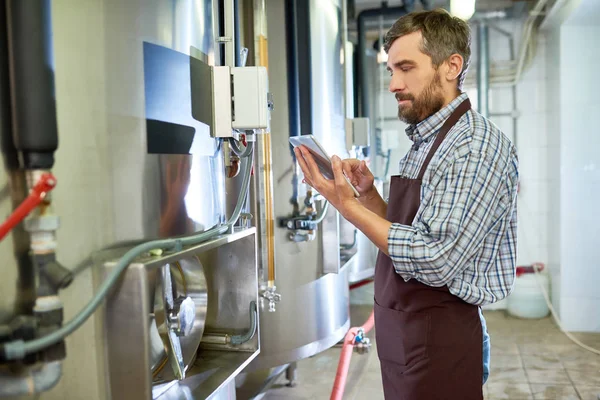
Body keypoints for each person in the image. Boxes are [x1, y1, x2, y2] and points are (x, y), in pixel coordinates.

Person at [294, 8, 518, 400]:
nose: (393, 83)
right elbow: (409, 234)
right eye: (391, 70)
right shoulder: (427, 138)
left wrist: (348, 208)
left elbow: (434, 258)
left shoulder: (473, 146)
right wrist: (367, 196)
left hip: (441, 339)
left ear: (451, 66)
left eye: (406, 68)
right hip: (410, 336)